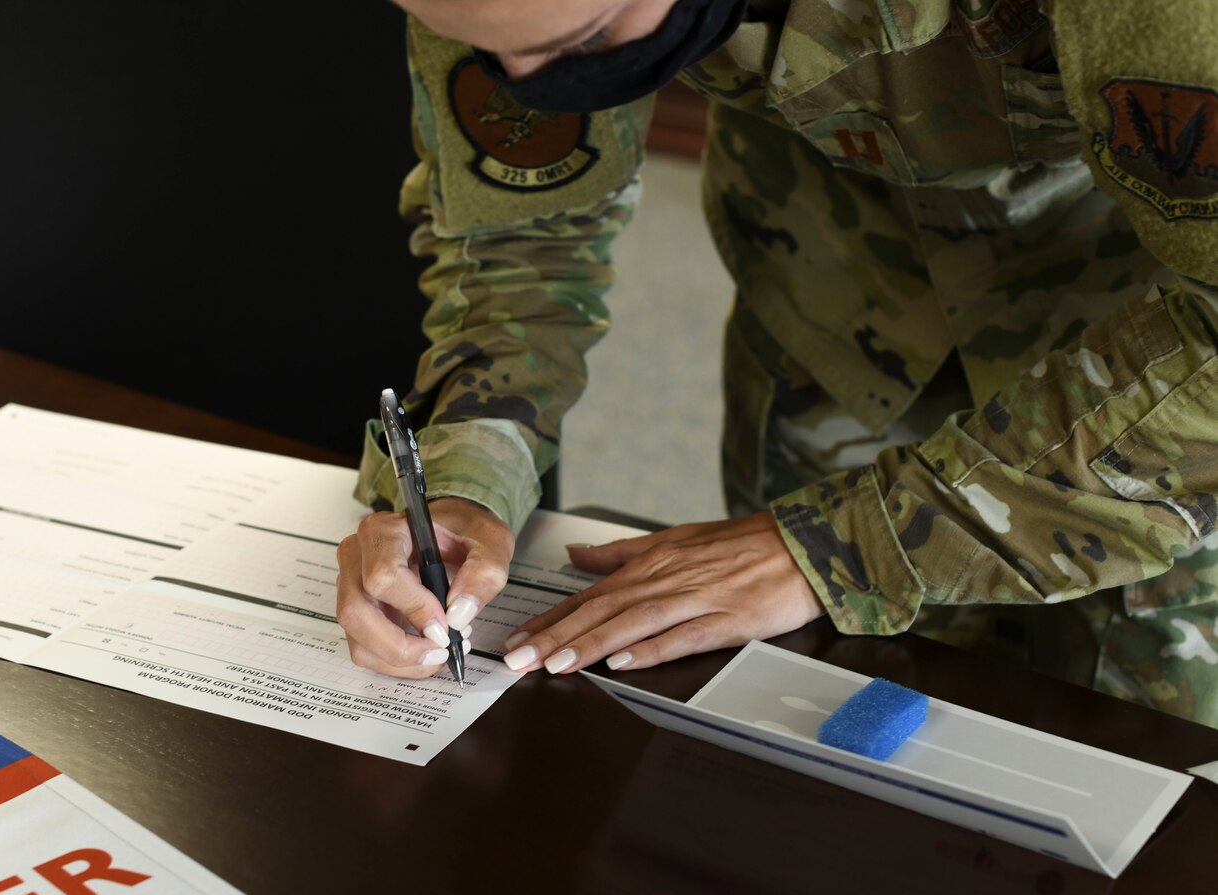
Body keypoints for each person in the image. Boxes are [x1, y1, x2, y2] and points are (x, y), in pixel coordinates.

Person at [334, 0, 1218, 724]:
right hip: (835, 316)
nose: (534, 84)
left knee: (1142, 800)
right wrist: (465, 479)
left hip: (1153, 391)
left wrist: (851, 548)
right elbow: (514, 230)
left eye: (589, 42)